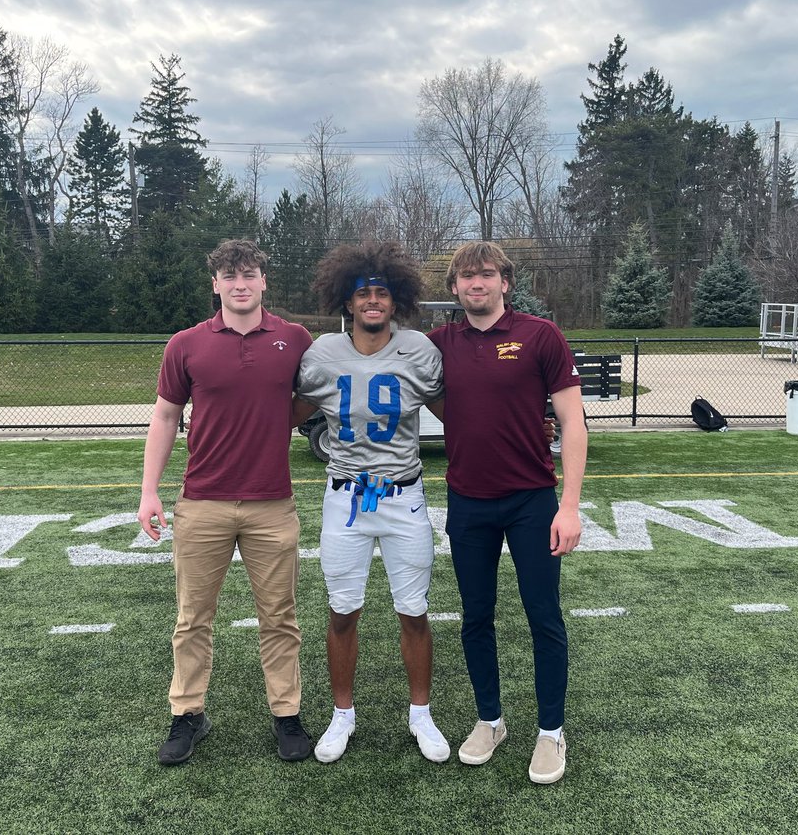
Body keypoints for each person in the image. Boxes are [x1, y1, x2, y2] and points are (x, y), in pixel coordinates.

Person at [137, 239, 314, 766]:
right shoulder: (186, 344)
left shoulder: (295, 339)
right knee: (193, 618)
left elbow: (315, 397)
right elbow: (166, 416)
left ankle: (287, 715)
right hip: (203, 502)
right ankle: (187, 713)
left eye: (250, 274)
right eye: (229, 275)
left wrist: (277, 421)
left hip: (271, 504)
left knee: (279, 616)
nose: (241, 283)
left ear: (264, 281)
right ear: (215, 284)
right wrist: (149, 491)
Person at [427, 241, 587, 785]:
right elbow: (399, 371)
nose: (477, 284)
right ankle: (490, 721)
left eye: (486, 274)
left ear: (505, 282)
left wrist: (569, 506)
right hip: (468, 501)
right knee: (476, 617)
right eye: (466, 277)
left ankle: (550, 732)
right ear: (453, 287)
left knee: (544, 615)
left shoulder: (540, 335)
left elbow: (573, 423)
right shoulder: (438, 343)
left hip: (532, 501)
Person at [292, 241, 450, 764]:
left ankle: (420, 714)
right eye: (364, 294)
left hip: (404, 496)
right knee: (342, 612)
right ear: (347, 301)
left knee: (415, 612)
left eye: (382, 292)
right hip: (346, 498)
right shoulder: (321, 354)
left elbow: (461, 414)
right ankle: (343, 716)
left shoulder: (420, 350)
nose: (373, 301)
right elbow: (286, 413)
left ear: (396, 299)